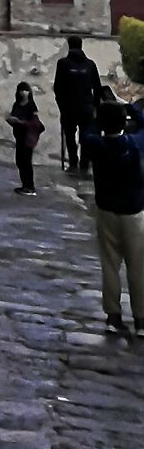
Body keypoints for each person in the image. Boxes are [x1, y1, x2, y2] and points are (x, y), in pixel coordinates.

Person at [88, 98, 144, 336]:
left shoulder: (95, 144)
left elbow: (88, 129)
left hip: (106, 210)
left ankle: (113, 316)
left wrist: (98, 115)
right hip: (133, 213)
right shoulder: (135, 144)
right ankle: (141, 320)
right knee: (138, 267)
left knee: (110, 265)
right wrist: (130, 106)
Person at [53, 34, 103, 175]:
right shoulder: (90, 64)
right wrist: (95, 106)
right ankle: (85, 164)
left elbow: (58, 87)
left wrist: (61, 106)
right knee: (86, 136)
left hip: (68, 107)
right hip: (86, 107)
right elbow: (97, 88)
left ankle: (73, 163)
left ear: (69, 46)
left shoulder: (63, 64)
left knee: (69, 136)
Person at [6, 81, 44, 195]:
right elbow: (13, 118)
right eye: (21, 90)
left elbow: (34, 123)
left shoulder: (31, 106)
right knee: (19, 161)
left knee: (26, 162)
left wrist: (20, 122)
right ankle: (25, 185)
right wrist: (10, 120)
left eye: (26, 90)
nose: (23, 93)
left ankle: (30, 187)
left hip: (28, 137)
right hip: (19, 137)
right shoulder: (16, 104)